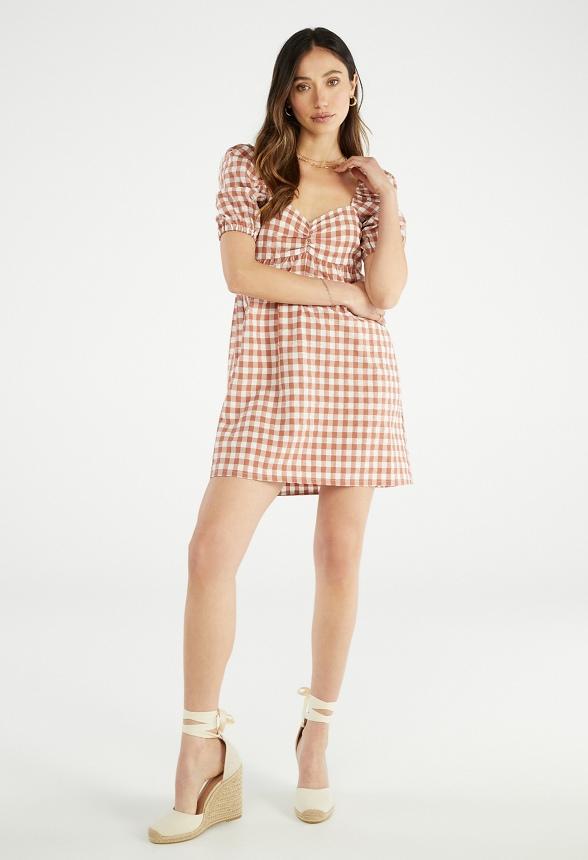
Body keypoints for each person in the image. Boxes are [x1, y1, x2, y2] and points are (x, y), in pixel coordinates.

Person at [148, 26, 413, 843]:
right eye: (302, 83)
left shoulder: (370, 186)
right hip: (267, 383)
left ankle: (316, 738)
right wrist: (334, 293)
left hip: (354, 384)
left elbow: (385, 293)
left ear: (353, 86)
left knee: (339, 556)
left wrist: (387, 198)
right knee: (209, 553)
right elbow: (241, 273)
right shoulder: (247, 165)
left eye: (333, 79)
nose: (319, 96)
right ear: (284, 95)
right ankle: (201, 751)